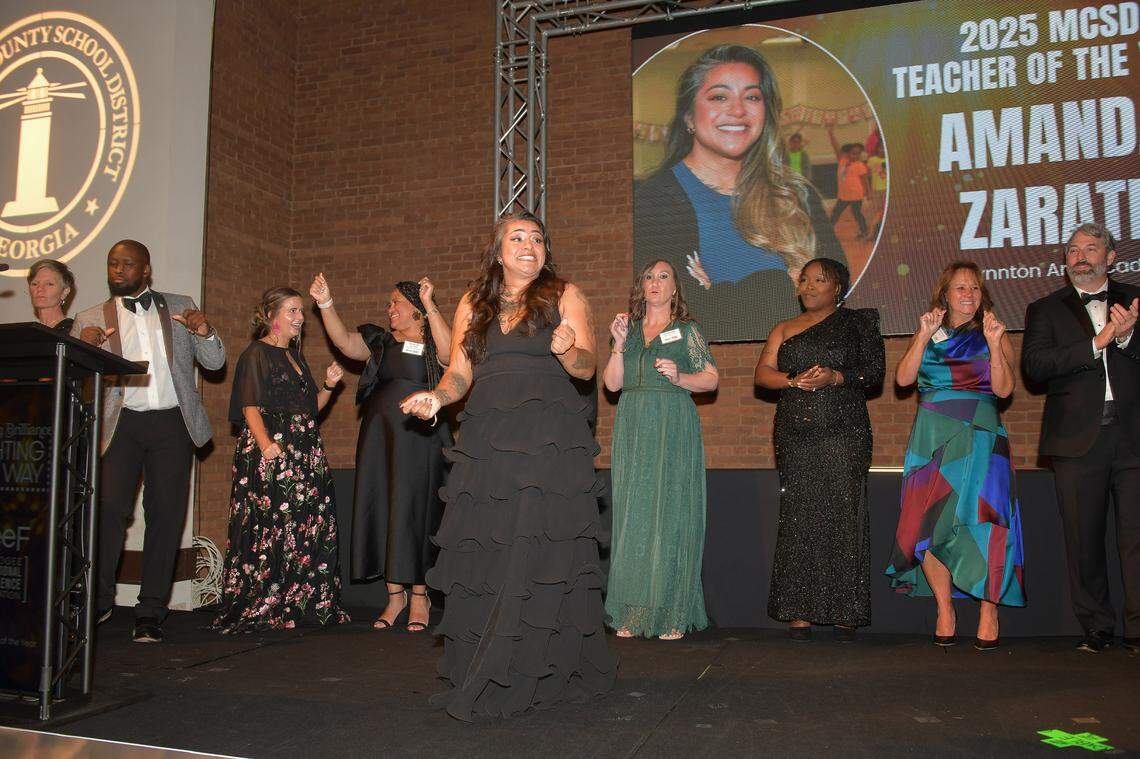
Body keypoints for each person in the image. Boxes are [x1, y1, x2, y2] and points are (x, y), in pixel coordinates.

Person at [400, 213, 616, 720]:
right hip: (488, 443)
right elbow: (459, 372)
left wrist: (569, 352)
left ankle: (534, 663)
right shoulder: (474, 302)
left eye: (537, 239)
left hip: (547, 441)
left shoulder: (566, 294)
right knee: (492, 549)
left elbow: (588, 368)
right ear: (498, 251)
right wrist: (436, 397)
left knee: (534, 548)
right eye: (517, 238)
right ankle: (490, 657)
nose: (528, 246)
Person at [634, 44, 846, 343]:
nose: (737, 110)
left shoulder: (796, 194)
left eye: (752, 97)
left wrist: (720, 293)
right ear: (689, 117)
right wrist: (780, 286)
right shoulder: (656, 200)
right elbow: (685, 314)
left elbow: (838, 289)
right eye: (719, 96)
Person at [72, 240, 226, 643]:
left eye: (126, 264)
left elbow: (214, 363)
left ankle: (151, 611)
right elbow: (77, 383)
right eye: (112, 264)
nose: (117, 270)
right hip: (120, 425)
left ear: (146, 269)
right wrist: (85, 350)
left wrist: (205, 332)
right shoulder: (89, 317)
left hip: (172, 423)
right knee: (107, 509)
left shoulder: (180, 304)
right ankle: (99, 600)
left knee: (166, 514)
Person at [884, 262, 1025, 651]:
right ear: (944, 294)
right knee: (929, 523)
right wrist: (923, 336)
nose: (969, 295)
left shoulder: (994, 331)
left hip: (981, 433)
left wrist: (995, 346)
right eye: (961, 288)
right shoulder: (928, 330)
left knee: (987, 520)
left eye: (975, 289)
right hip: (932, 434)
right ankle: (945, 610)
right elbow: (903, 379)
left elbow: (1003, 389)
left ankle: (988, 612)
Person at [309, 273, 451, 632]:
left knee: (416, 509)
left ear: (416, 311)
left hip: (421, 437)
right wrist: (326, 303)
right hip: (380, 438)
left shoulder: (435, 341)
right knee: (387, 507)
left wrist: (430, 305)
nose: (390, 310)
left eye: (396, 304)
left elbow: (452, 354)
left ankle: (420, 596)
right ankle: (394, 597)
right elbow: (343, 342)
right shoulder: (382, 341)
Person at [1022, 223, 1140, 654]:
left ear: (1111, 256)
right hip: (1075, 441)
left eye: (1091, 248)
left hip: (1133, 436)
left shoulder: (1135, 299)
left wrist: (1126, 338)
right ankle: (1097, 628)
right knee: (1082, 539)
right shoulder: (1044, 308)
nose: (1081, 256)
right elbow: (1035, 366)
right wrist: (1097, 342)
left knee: (1136, 537)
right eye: (1073, 250)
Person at [753, 258, 884, 641]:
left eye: (819, 280)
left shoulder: (859, 323)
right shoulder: (783, 328)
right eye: (804, 280)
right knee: (800, 515)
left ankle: (846, 609)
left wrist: (836, 376)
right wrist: (793, 381)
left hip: (844, 431)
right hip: (795, 435)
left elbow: (874, 373)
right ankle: (799, 610)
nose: (808, 286)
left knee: (844, 514)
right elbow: (762, 375)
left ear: (838, 288)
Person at [213, 287, 350, 633]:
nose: (300, 318)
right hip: (272, 449)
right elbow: (249, 405)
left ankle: (301, 599)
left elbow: (309, 413)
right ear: (270, 317)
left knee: (305, 524)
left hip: (304, 449)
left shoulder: (295, 357)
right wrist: (266, 445)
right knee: (273, 526)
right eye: (291, 311)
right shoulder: (256, 354)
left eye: (300, 312)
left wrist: (329, 386)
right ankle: (266, 598)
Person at [602, 259, 719, 641]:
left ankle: (672, 612)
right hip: (633, 426)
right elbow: (613, 386)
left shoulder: (687, 330)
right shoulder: (629, 330)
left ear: (674, 290)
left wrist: (680, 376)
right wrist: (618, 346)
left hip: (672, 423)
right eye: (649, 277)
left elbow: (711, 379)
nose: (655, 282)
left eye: (663, 277)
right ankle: (634, 611)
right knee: (634, 517)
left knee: (670, 514)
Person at [826, 127, 870, 241]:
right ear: (847, 153)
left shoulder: (860, 165)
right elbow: (835, 146)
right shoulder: (842, 161)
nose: (855, 156)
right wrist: (831, 133)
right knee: (835, 213)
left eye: (858, 154)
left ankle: (865, 232)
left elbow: (865, 180)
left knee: (857, 214)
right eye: (853, 153)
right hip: (843, 195)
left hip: (856, 195)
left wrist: (868, 192)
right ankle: (827, 233)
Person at [27, 259, 76, 332]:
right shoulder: (27, 334)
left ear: (64, 292)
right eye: (34, 284)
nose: (39, 288)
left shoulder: (73, 331)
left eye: (49, 284)